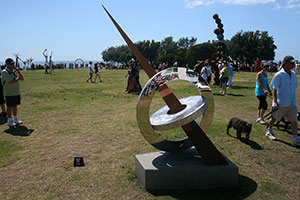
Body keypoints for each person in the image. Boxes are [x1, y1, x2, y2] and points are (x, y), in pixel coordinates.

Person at [266, 56, 300, 147]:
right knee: (274, 118)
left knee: (294, 120)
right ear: (285, 63)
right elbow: (274, 89)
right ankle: (269, 130)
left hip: (292, 102)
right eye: (291, 63)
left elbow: (293, 87)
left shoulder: (293, 74)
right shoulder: (278, 75)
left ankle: (295, 138)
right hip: (281, 102)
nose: (293, 65)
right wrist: (275, 102)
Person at [1, 58, 24, 126]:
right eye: (11, 64)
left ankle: (15, 118)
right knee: (9, 106)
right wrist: (17, 78)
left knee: (15, 106)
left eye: (13, 64)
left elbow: (22, 78)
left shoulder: (14, 71)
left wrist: (18, 71)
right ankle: (9, 120)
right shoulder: (4, 72)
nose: (13, 65)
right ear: (7, 65)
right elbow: (11, 81)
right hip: (9, 92)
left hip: (16, 92)